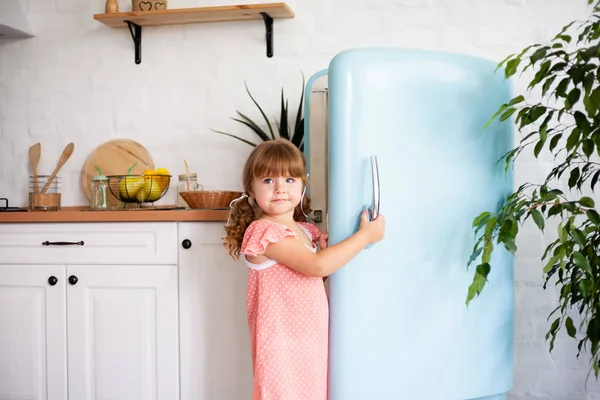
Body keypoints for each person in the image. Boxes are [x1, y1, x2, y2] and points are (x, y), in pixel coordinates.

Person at [223, 138, 385, 400]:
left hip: (309, 343)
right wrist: (365, 237)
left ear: (302, 185)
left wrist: (323, 251)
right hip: (281, 347)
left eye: (289, 180)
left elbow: (311, 277)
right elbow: (315, 267)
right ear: (251, 190)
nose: (279, 189)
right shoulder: (264, 231)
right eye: (268, 180)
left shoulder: (305, 231)